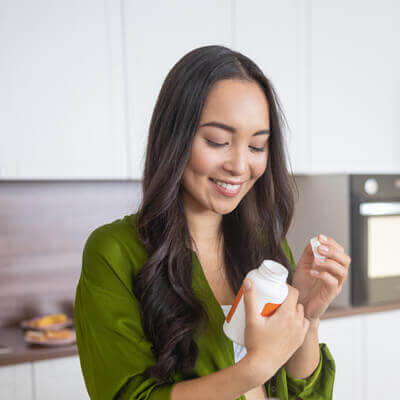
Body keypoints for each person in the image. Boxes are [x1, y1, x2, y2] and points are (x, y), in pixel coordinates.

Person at [74, 45, 351, 400]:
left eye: (256, 147)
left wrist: (306, 320)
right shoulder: (114, 251)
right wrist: (255, 366)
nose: (239, 165)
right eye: (218, 141)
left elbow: (306, 396)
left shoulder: (265, 245)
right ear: (174, 137)